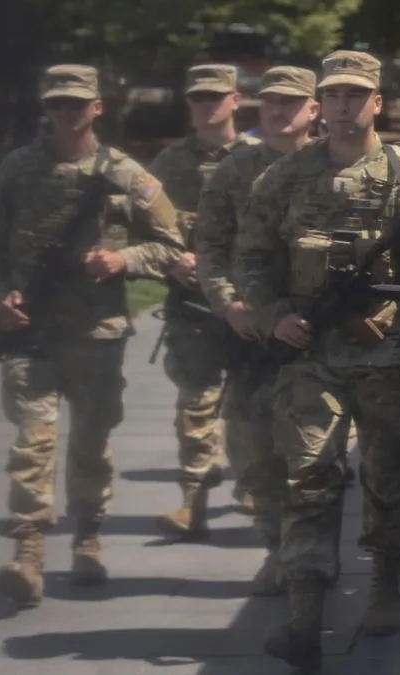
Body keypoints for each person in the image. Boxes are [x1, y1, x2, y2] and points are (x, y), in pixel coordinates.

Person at [233, 49, 400, 671]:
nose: (343, 105)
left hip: (387, 354)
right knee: (309, 471)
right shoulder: (283, 178)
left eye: (356, 94)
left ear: (377, 103)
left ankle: (384, 584)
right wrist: (271, 315)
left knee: (387, 472)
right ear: (319, 104)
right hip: (309, 354)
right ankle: (305, 614)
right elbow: (251, 258)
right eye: (333, 94)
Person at [0, 64, 185, 607]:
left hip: (97, 334)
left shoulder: (124, 173)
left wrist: (123, 259)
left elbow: (173, 244)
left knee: (91, 446)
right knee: (32, 442)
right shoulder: (18, 169)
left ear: (97, 108)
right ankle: (27, 552)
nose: (67, 113)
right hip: (33, 333)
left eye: (77, 104)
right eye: (57, 104)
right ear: (44, 108)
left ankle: (88, 538)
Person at [193, 65, 349, 597]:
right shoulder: (235, 169)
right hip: (254, 338)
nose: (278, 110)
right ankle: (277, 547)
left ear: (314, 109)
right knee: (251, 452)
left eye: (291, 102)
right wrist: (229, 304)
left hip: (321, 336)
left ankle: (312, 557)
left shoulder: (337, 165)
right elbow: (210, 248)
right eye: (271, 102)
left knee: (316, 457)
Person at [148, 64, 259, 538]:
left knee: (250, 407)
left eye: (217, 96)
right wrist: (170, 260)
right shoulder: (168, 163)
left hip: (249, 303)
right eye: (199, 97)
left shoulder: (259, 158)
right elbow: (140, 226)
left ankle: (255, 484)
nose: (208, 105)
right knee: (196, 405)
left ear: (235, 100)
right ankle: (193, 503)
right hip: (194, 305)